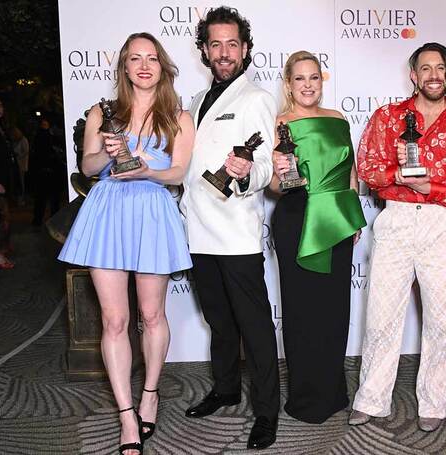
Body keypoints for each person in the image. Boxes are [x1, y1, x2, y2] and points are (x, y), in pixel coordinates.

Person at [58, 32, 194, 454]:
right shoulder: (104, 112)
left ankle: (150, 393)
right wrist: (110, 155)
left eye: (151, 57)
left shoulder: (178, 116)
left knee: (152, 315)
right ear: (124, 67)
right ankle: (125, 415)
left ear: (162, 65)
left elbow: (177, 174)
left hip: (152, 211)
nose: (144, 65)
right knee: (114, 320)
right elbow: (88, 165)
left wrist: (145, 170)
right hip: (108, 213)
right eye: (134, 58)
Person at [349, 42, 446, 432]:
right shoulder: (388, 117)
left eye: (439, 68)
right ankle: (372, 399)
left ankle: (434, 402)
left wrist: (430, 189)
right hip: (396, 220)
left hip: (440, 223)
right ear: (414, 75)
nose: (433, 75)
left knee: (439, 321)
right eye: (425, 68)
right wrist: (400, 178)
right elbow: (368, 168)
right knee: (380, 318)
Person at [179, 7, 280, 450]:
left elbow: (264, 169)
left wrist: (244, 172)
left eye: (232, 44)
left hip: (237, 232)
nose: (224, 52)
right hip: (197, 231)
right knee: (218, 320)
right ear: (204, 49)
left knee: (254, 326)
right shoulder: (194, 103)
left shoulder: (256, 98)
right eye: (216, 44)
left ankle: (267, 411)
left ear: (245, 50)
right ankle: (224, 388)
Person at [269, 51, 366, 424]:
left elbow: (350, 172)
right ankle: (306, 397)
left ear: (321, 81)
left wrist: (353, 216)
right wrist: (279, 173)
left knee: (334, 308)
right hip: (298, 218)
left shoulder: (338, 118)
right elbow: (275, 186)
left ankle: (333, 391)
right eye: (300, 79)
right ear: (288, 84)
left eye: (314, 78)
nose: (308, 85)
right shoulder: (280, 122)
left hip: (338, 220)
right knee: (302, 309)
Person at [31, 118, 64, 226]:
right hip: (47, 171)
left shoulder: (46, 137)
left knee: (46, 198)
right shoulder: (44, 137)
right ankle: (47, 220)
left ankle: (41, 220)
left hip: (48, 172)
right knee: (46, 198)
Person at [0, 98, 14, 269]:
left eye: (1, 105)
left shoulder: (2, 128)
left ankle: (2, 247)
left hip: (5, 180)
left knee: (5, 216)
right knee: (0, 217)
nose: (0, 108)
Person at [11, 127, 29, 206]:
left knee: (22, 183)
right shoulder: (15, 141)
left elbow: (26, 151)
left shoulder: (23, 140)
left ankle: (22, 199)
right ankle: (19, 199)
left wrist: (18, 155)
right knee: (19, 182)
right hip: (16, 164)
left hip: (21, 164)